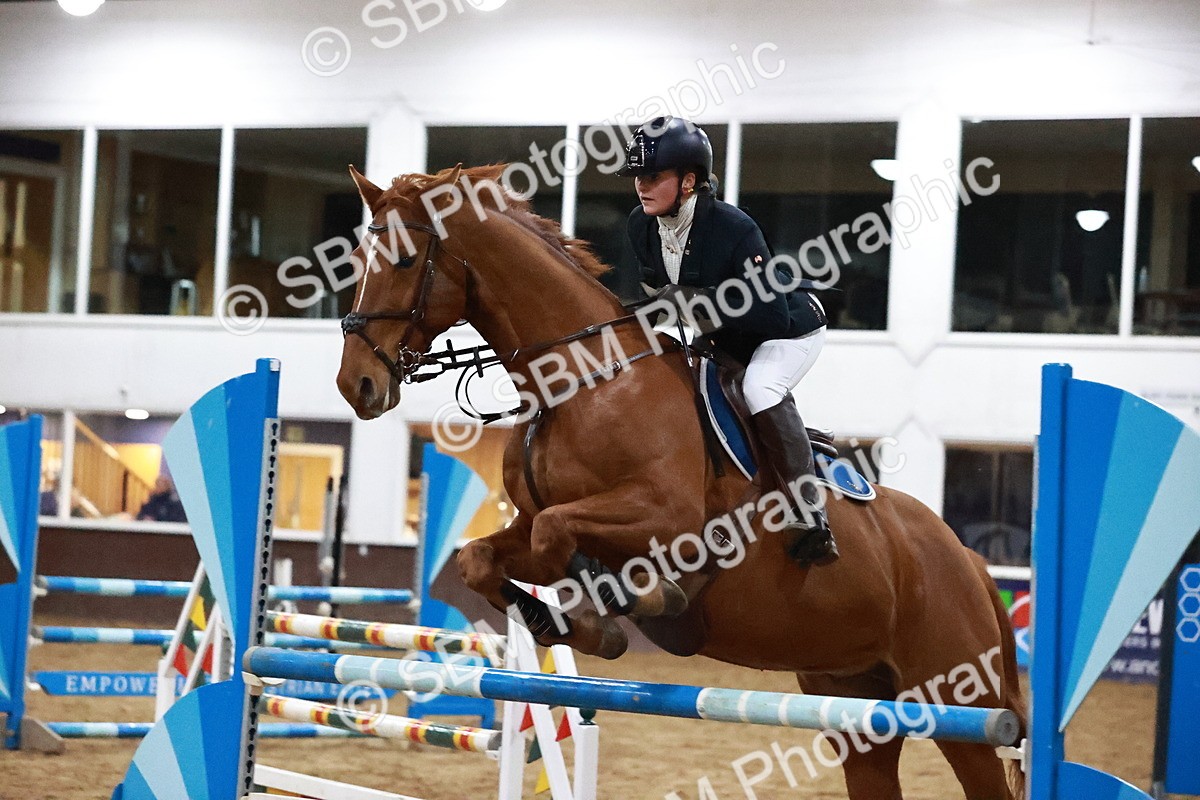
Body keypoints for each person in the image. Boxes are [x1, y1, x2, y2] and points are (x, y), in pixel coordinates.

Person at [618, 116, 837, 566]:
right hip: (723, 338)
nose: (642, 186)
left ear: (689, 181)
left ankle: (810, 513)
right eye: (638, 176)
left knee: (759, 388)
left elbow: (770, 314)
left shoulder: (734, 227)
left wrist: (698, 301)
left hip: (788, 332)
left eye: (654, 176)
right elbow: (661, 298)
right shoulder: (640, 227)